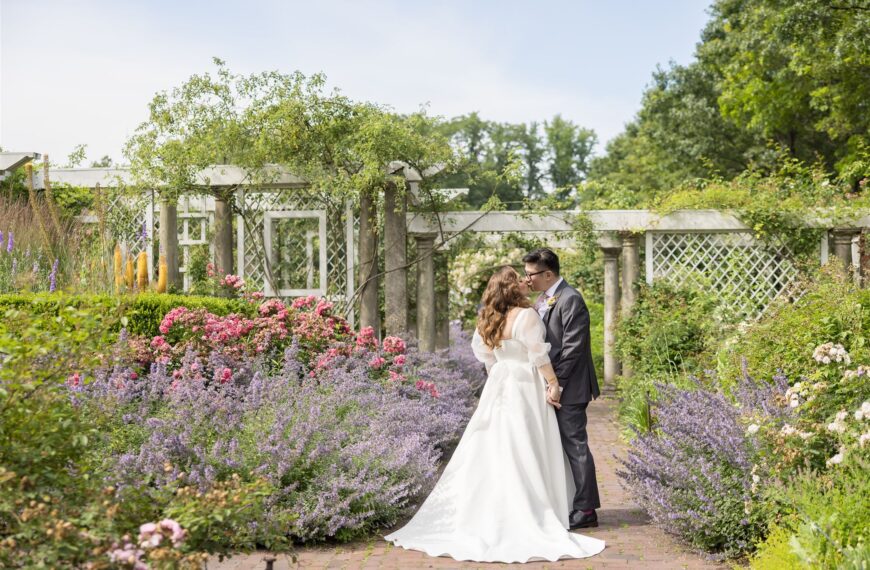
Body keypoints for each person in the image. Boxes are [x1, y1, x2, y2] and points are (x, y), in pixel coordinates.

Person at [384, 266, 605, 563]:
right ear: (512, 288)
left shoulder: (488, 316)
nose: (527, 281)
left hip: (501, 382)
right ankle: (531, 507)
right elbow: (539, 356)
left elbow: (484, 354)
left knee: (496, 444)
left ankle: (491, 506)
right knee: (526, 444)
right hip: (525, 384)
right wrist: (553, 384)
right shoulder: (526, 316)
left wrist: (500, 374)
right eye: (520, 279)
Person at [522, 247, 601, 529]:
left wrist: (559, 385)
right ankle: (570, 500)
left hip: (571, 386)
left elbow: (573, 349)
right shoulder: (545, 300)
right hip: (555, 385)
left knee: (575, 444)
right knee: (560, 445)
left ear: (548, 274)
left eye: (531, 274)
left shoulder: (571, 299)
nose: (527, 280)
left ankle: (586, 509)